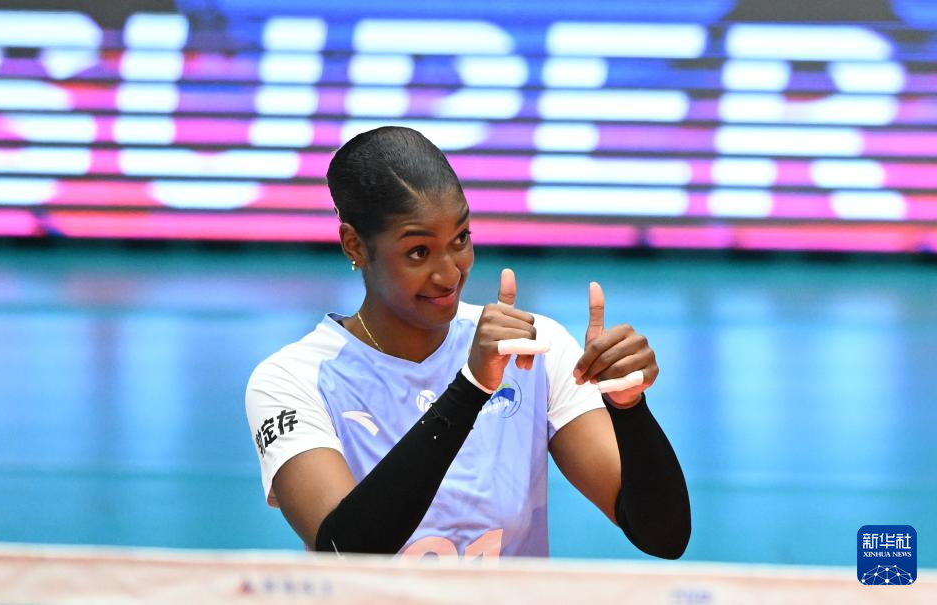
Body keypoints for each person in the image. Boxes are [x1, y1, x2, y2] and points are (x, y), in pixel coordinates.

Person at [245, 126, 690, 558]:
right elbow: (345, 547)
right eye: (418, 252)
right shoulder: (292, 380)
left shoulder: (536, 349)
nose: (449, 274)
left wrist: (630, 410)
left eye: (460, 239)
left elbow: (663, 536)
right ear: (354, 245)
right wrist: (471, 388)